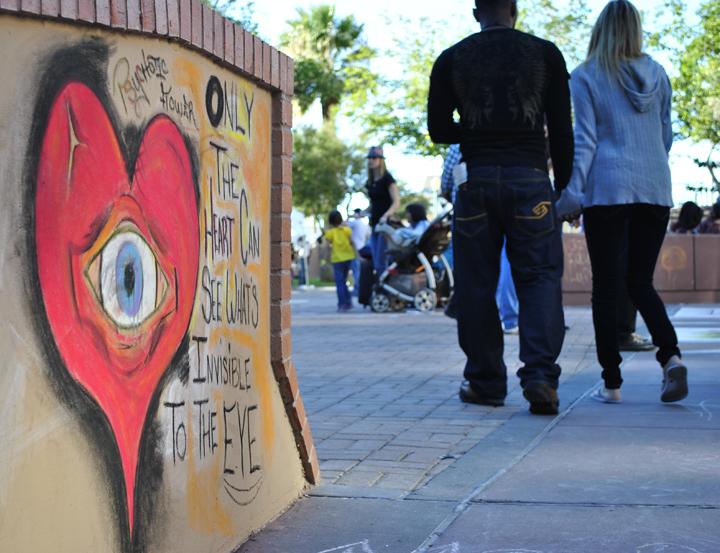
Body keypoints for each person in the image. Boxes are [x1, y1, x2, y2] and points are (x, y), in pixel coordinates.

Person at [428, 0, 574, 415]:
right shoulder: (545, 53)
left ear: (477, 12)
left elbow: (438, 129)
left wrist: (478, 130)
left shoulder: (452, 58)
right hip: (530, 179)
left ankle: (485, 381)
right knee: (540, 277)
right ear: (514, 9)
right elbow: (562, 130)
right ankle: (541, 377)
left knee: (476, 282)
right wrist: (562, 186)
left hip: (474, 182)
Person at [557, 0, 688, 404]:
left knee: (607, 288)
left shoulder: (586, 75)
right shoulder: (659, 74)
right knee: (640, 282)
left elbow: (586, 141)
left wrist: (572, 194)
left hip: (608, 190)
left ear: (600, 29)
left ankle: (611, 383)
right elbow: (666, 135)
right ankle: (670, 357)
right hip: (654, 188)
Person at [365, 146, 401, 276]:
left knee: (382, 261)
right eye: (369, 158)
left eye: (374, 158)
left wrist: (386, 215)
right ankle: (382, 290)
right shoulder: (370, 182)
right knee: (376, 261)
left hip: (386, 225)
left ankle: (386, 291)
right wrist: (361, 213)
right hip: (374, 225)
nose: (371, 160)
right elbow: (373, 205)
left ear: (381, 160)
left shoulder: (388, 178)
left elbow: (396, 201)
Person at [323, 210, 356, 312]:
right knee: (344, 282)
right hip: (349, 257)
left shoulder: (330, 233)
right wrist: (357, 255)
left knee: (340, 283)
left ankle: (342, 304)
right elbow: (352, 243)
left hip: (337, 259)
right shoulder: (347, 230)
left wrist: (326, 258)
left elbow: (328, 247)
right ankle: (349, 302)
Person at [347, 208, 371, 294]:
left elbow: (344, 225)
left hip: (355, 249)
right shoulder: (366, 225)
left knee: (356, 270)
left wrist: (350, 216)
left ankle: (357, 290)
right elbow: (368, 236)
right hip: (363, 248)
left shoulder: (354, 222)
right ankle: (360, 289)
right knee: (359, 270)